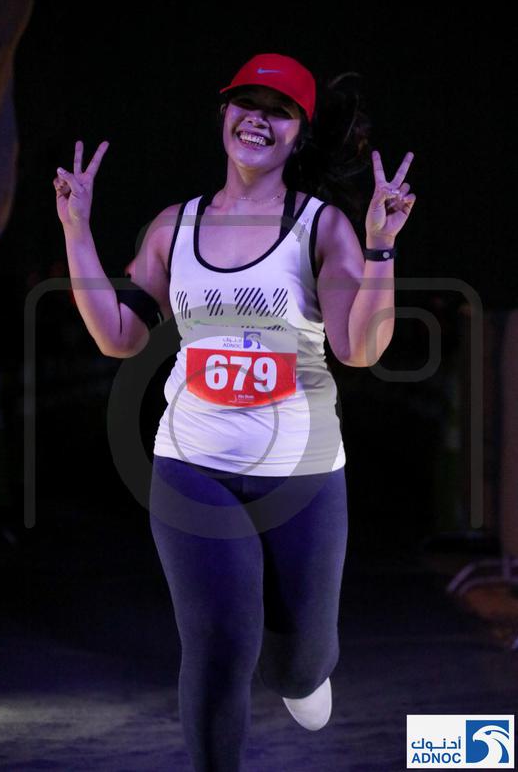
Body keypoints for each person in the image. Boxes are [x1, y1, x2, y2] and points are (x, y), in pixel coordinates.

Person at [53, 52, 415, 772]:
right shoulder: (174, 225)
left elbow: (359, 348)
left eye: (279, 111)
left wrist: (380, 248)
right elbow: (119, 336)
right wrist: (76, 229)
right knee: (220, 646)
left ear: (299, 133)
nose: (258, 119)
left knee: (296, 667)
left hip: (302, 471)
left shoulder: (321, 227)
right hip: (192, 465)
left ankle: (305, 672)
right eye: (247, 103)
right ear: (224, 113)